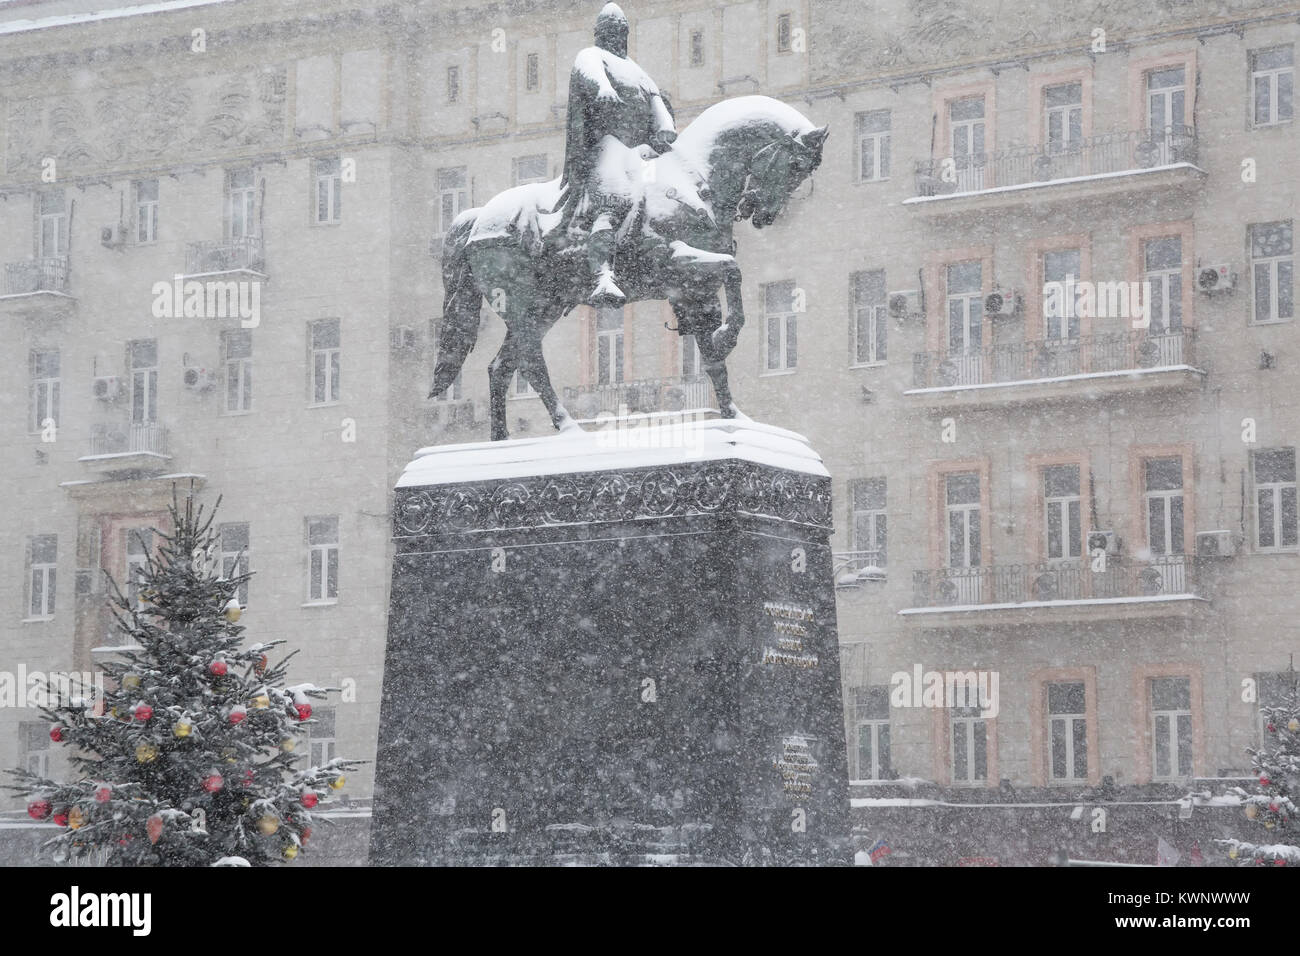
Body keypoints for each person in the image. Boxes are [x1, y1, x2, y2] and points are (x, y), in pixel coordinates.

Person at [556, 3, 677, 304]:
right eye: (610, 30)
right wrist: (602, 88)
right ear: (600, 33)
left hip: (638, 152)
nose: (615, 36)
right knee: (612, 199)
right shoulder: (591, 55)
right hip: (607, 145)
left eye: (620, 31)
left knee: (663, 191)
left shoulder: (638, 71)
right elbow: (590, 73)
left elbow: (655, 101)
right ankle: (602, 274)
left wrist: (665, 126)